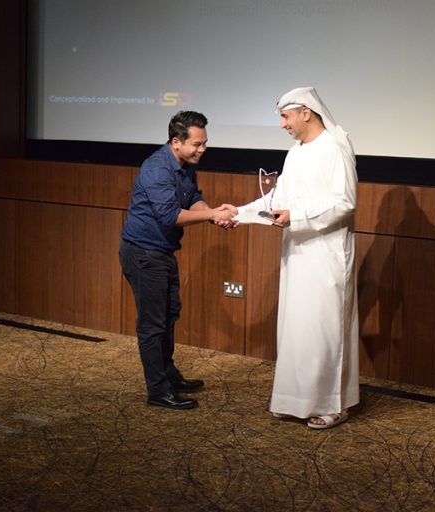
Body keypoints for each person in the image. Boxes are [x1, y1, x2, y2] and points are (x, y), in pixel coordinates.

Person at [238, 87, 359, 429]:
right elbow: (279, 198)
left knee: (323, 328)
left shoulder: (334, 148)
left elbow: (345, 202)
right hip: (297, 251)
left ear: (306, 112)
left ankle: (332, 405)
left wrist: (297, 216)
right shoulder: (295, 153)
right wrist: (239, 213)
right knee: (296, 327)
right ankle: (295, 400)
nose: (282, 124)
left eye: (285, 116)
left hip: (327, 253)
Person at [119, 110, 236, 409]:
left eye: (204, 143)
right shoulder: (157, 168)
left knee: (169, 315)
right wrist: (212, 214)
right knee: (153, 324)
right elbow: (171, 215)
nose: (202, 149)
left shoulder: (184, 165)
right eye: (197, 144)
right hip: (143, 253)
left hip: (162, 251)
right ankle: (158, 391)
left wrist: (213, 215)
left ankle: (168, 376)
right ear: (176, 142)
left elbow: (193, 199)